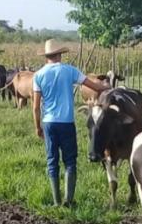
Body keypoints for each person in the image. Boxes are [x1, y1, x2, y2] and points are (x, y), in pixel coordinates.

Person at [32, 39, 108, 207]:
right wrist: (106, 88)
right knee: (70, 161)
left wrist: (38, 127)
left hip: (49, 123)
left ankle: (56, 201)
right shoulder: (70, 70)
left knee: (52, 160)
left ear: (46, 56)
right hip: (66, 122)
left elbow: (36, 107)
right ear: (60, 55)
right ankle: (69, 200)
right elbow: (93, 86)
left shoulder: (38, 75)